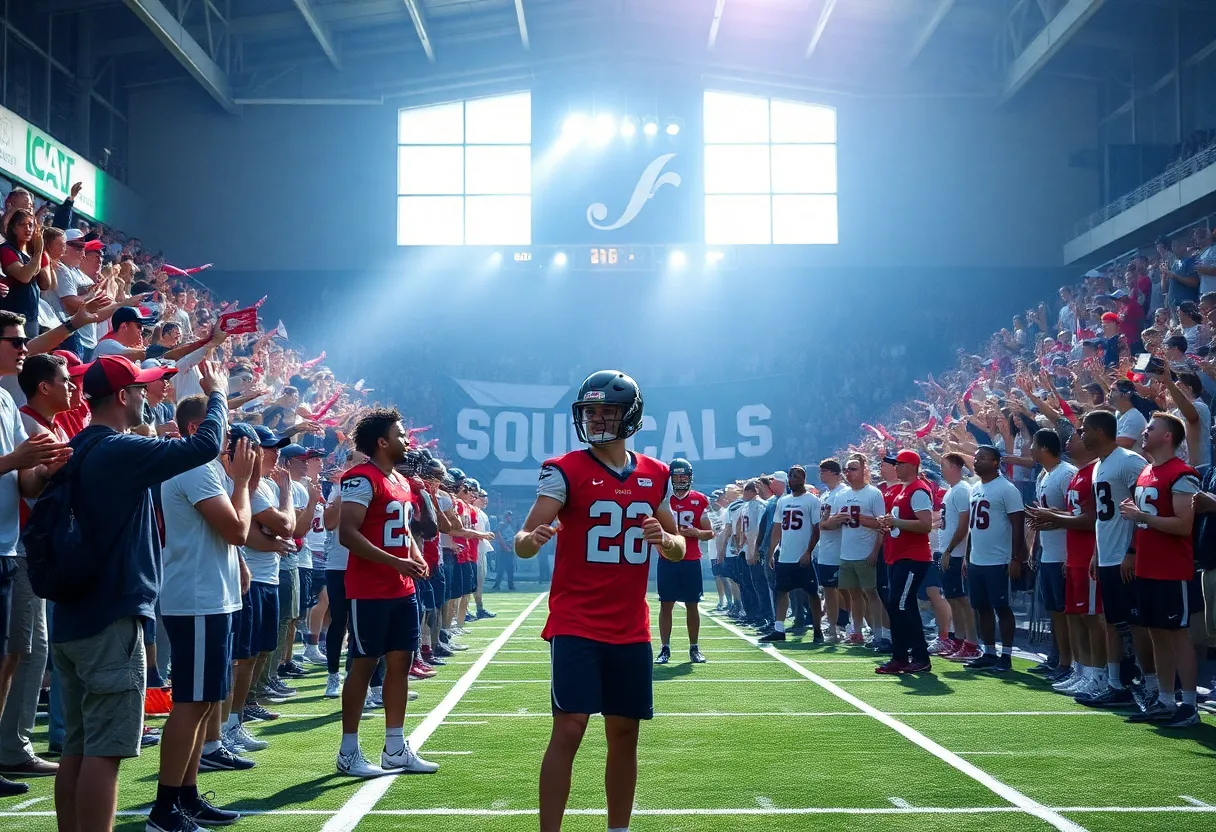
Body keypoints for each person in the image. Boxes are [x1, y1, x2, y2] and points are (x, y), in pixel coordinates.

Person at [52, 357, 227, 832]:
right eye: (139, 390)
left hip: (71, 611)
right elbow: (205, 445)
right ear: (123, 396)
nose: (147, 398)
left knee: (76, 748)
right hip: (110, 615)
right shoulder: (118, 448)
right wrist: (217, 394)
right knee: (104, 752)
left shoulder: (78, 445)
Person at [513, 370, 685, 832]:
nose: (596, 420)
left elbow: (678, 546)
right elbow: (523, 541)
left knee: (625, 731)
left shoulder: (656, 473)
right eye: (590, 412)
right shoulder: (564, 469)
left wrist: (664, 539)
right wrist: (533, 540)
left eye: (606, 411)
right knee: (569, 726)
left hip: (630, 624)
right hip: (576, 620)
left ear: (630, 416)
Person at [150, 406, 258, 832]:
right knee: (191, 703)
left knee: (205, 701)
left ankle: (187, 796)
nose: (229, 441)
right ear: (198, 428)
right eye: (224, 432)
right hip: (196, 599)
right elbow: (237, 530)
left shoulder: (203, 467)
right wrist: (243, 483)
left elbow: (226, 535)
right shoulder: (195, 467)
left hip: (210, 597)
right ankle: (164, 809)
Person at [336, 408, 437, 777]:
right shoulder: (361, 478)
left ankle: (395, 747)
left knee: (401, 664)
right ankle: (348, 750)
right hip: (370, 589)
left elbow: (403, 528)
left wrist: (414, 556)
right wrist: (396, 562)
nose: (406, 440)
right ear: (382, 442)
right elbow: (347, 533)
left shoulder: (401, 481)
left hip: (401, 588)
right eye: (400, 434)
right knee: (364, 664)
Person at [1118, 412, 1201, 727]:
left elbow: (1183, 525)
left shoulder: (1182, 473)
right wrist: (1132, 552)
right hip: (1147, 566)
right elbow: (1142, 523)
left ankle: (1189, 704)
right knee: (1156, 633)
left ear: (1168, 436)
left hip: (1171, 568)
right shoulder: (1146, 471)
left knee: (1177, 634)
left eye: (1151, 428)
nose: (1144, 432)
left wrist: (1142, 517)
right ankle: (1165, 699)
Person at [1076, 409, 1152, 710]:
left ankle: (1151, 684)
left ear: (1100, 431)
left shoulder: (1130, 461)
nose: (1081, 435)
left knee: (1136, 623)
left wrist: (1133, 551)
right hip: (1107, 554)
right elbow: (1102, 515)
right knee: (1111, 621)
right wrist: (1097, 553)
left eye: (1085, 429)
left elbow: (1143, 510)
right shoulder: (1099, 465)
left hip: (1125, 555)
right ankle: (1115, 683)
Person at [963, 445, 1026, 672]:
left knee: (1002, 607)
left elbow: (1018, 525)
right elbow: (972, 527)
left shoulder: (1007, 489)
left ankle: (1006, 655)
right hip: (977, 559)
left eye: (982, 458)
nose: (976, 461)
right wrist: (967, 556)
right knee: (981, 607)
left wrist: (1016, 557)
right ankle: (989, 652)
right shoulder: (975, 488)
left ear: (995, 462)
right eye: (976, 457)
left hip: (999, 559)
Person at [875, 451, 935, 674]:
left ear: (911, 465)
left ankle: (917, 656)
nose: (896, 467)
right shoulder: (903, 489)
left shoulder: (918, 490)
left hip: (912, 557)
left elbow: (926, 525)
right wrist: (890, 523)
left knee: (900, 605)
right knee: (901, 605)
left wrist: (896, 521)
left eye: (899, 463)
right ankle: (901, 656)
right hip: (899, 555)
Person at [1029, 429, 1077, 677]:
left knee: (1064, 611)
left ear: (1045, 448)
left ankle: (1068, 663)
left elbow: (1076, 513)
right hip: (1048, 552)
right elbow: (1042, 514)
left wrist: (1070, 554)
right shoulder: (1043, 475)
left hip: (1062, 552)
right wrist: (1035, 545)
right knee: (1054, 611)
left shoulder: (1066, 473)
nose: (1030, 449)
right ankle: (1056, 657)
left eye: (1034, 444)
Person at [657, 458, 713, 664]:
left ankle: (694, 647)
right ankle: (665, 648)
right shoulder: (662, 499)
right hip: (667, 559)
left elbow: (709, 533)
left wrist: (696, 532)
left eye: (684, 476)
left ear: (690, 477)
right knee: (666, 604)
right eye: (677, 476)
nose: (680, 480)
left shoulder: (699, 499)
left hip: (691, 559)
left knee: (692, 604)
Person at [824, 458, 885, 646]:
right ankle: (856, 631)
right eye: (846, 469)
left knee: (871, 594)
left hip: (865, 551)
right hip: (846, 552)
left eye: (853, 468)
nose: (849, 472)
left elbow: (882, 524)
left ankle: (878, 633)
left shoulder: (873, 493)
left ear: (863, 470)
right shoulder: (841, 495)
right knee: (854, 595)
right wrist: (835, 520)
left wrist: (875, 551)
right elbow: (829, 523)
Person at [762, 465, 821, 644]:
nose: (792, 480)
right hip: (785, 555)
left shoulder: (812, 500)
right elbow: (777, 528)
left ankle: (818, 629)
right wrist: (771, 551)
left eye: (796, 476)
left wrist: (808, 551)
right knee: (781, 591)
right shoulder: (783, 500)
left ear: (803, 479)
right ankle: (779, 628)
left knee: (812, 593)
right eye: (790, 476)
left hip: (803, 555)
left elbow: (816, 529)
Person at [938, 453, 979, 660]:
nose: (941, 470)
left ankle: (971, 643)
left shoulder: (962, 490)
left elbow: (964, 524)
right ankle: (959, 639)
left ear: (955, 467)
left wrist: (949, 550)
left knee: (963, 600)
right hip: (949, 553)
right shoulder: (951, 490)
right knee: (953, 599)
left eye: (943, 465)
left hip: (956, 554)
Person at [815, 460, 847, 643]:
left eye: (824, 471)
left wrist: (825, 523)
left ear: (835, 473)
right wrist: (826, 523)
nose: (821, 474)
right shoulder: (825, 495)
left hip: (841, 548)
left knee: (847, 590)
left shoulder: (843, 493)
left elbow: (839, 521)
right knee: (828, 589)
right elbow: (822, 522)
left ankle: (851, 624)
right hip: (826, 548)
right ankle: (833, 626)